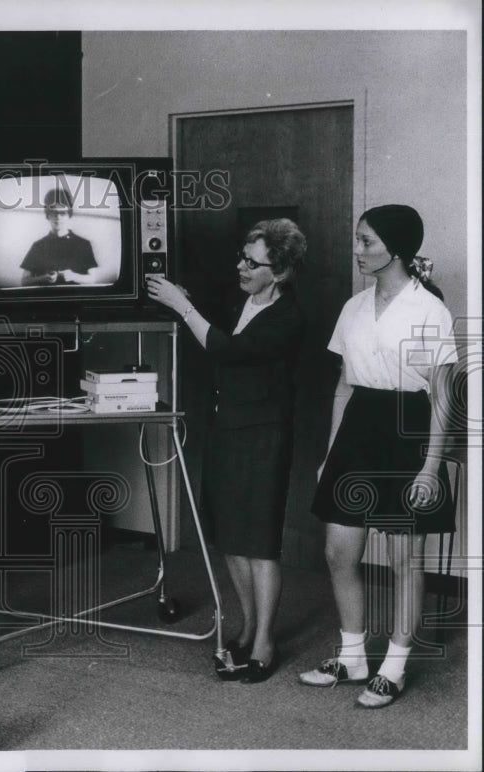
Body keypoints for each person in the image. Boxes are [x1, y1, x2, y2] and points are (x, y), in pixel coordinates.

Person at [299, 204, 456, 708]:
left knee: (405, 559)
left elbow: (442, 396)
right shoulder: (353, 307)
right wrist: (330, 454)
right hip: (359, 428)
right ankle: (351, 657)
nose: (358, 250)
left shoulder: (429, 310)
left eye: (366, 241)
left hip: (408, 431)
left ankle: (394, 667)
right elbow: (345, 385)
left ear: (397, 249)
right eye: (358, 239)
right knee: (339, 552)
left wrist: (430, 469)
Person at [147, 218, 307, 683]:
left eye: (252, 263)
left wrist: (182, 307)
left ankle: (265, 642)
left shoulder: (289, 317)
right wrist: (188, 301)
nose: (241, 267)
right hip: (227, 430)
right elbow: (217, 327)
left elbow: (226, 349)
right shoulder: (242, 299)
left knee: (259, 543)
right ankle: (249, 625)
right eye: (242, 257)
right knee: (231, 538)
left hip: (263, 437)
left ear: (279, 272)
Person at [20, 187, 98, 285]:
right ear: (47, 215)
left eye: (63, 213)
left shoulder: (83, 244)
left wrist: (74, 276)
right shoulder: (38, 246)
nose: (58, 217)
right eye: (53, 213)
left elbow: (92, 279)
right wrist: (44, 278)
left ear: (69, 214)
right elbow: (24, 281)